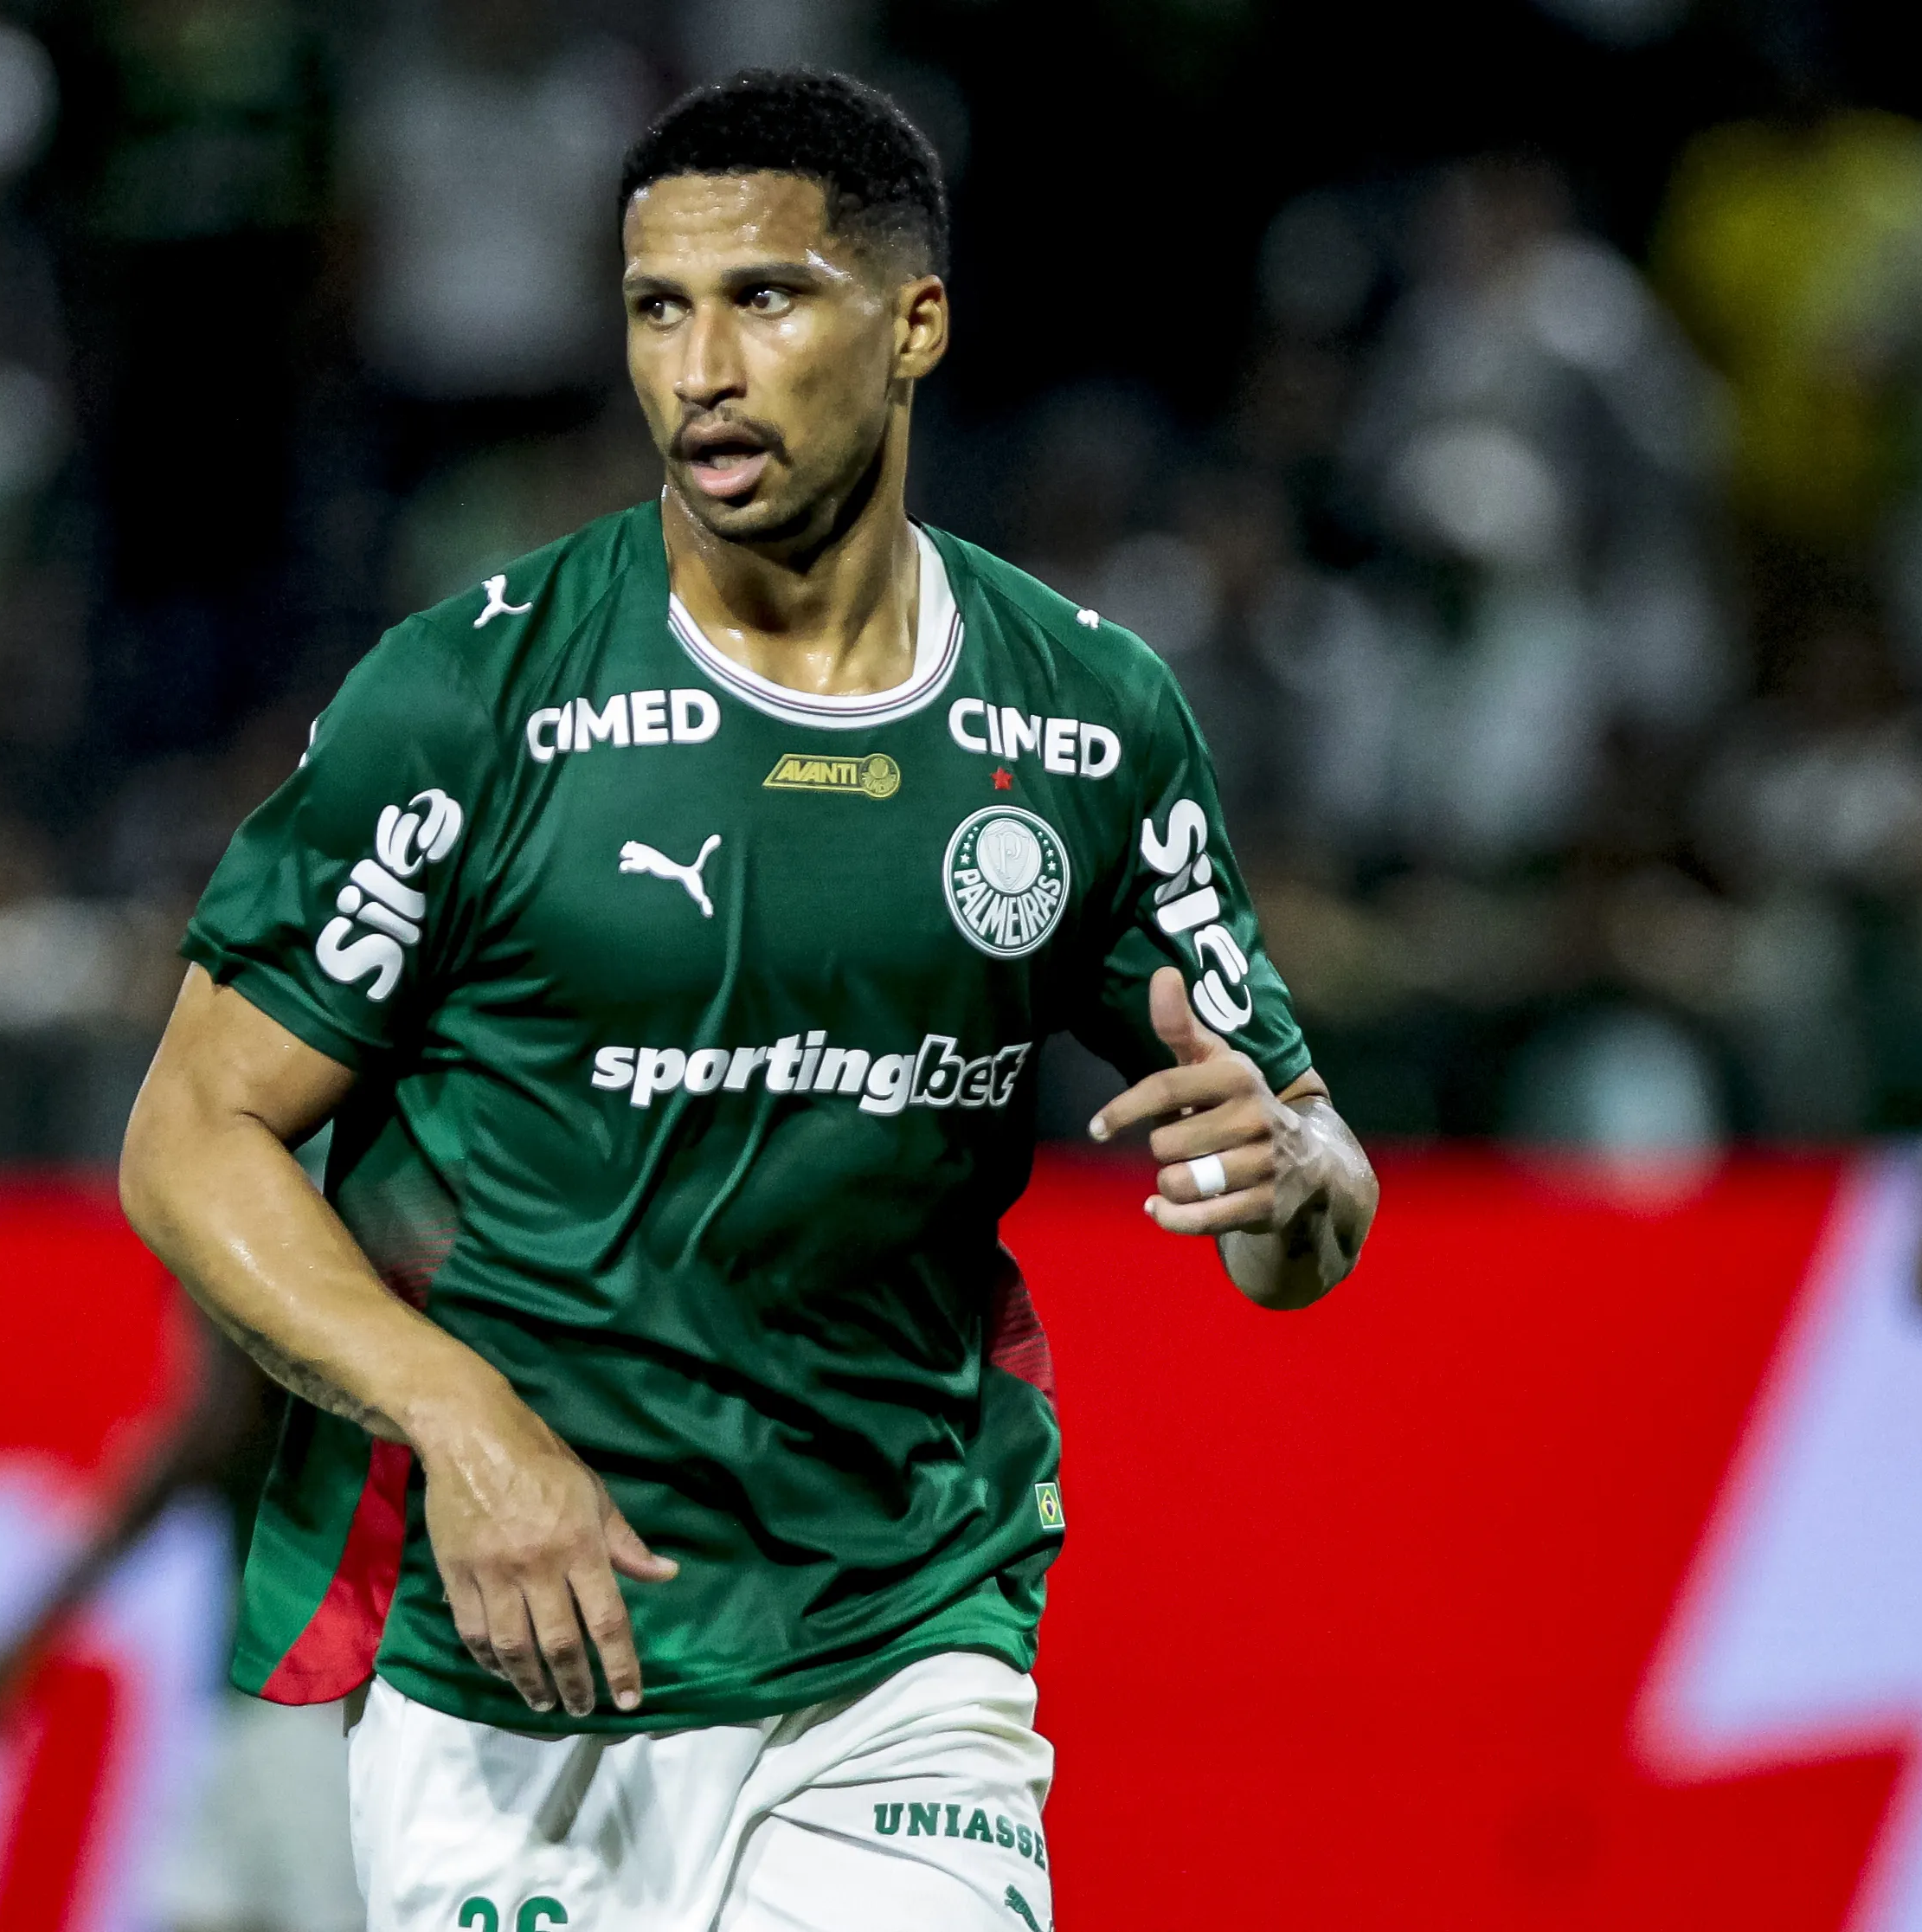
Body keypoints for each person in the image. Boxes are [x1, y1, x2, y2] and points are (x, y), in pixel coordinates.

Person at [123, 68, 1379, 1931]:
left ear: (915, 324)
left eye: (767, 297)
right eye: (657, 307)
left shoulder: (1086, 721)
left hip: (900, 1649)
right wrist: (465, 1425)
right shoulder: (470, 701)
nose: (701, 365)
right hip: (520, 1669)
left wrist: (1291, 1175)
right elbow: (192, 1138)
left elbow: (1311, 1205)